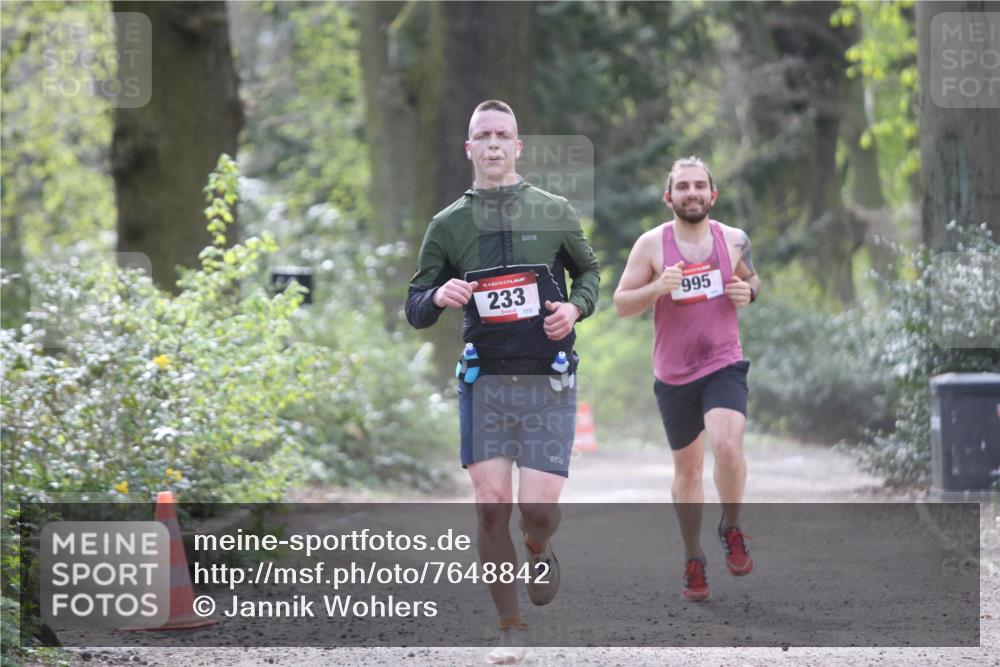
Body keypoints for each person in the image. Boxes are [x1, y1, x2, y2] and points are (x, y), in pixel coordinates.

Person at [406, 100, 600, 659]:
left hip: (547, 380)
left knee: (536, 513)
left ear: (517, 147)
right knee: (491, 504)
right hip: (484, 381)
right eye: (483, 135)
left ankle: (538, 545)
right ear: (469, 148)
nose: (493, 143)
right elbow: (415, 305)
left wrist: (576, 309)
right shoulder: (447, 224)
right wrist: (437, 295)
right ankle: (509, 626)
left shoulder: (554, 210)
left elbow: (588, 271)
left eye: (502, 135)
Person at [613, 156, 759, 602]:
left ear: (712, 195)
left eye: (699, 186)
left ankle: (731, 526)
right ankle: (693, 556)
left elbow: (752, 280)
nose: (691, 193)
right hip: (674, 373)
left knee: (727, 445)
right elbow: (621, 303)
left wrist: (749, 291)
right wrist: (657, 287)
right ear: (669, 197)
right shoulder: (650, 245)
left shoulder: (734, 240)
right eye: (682, 187)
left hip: (723, 362)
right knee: (689, 470)